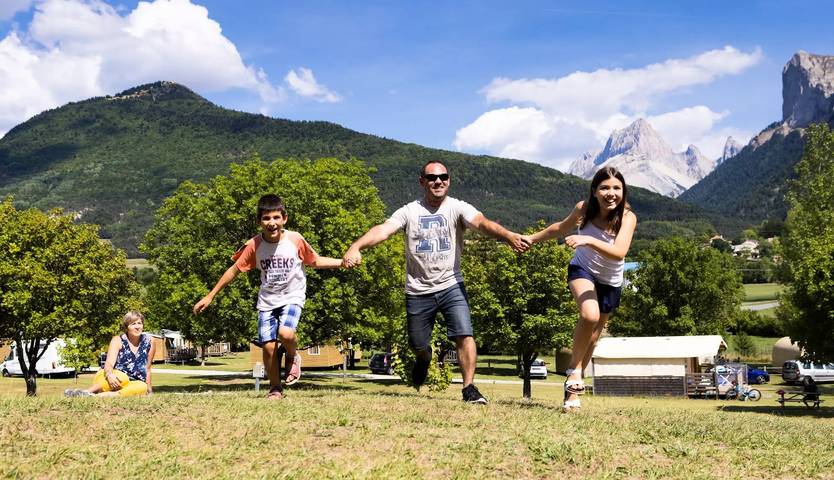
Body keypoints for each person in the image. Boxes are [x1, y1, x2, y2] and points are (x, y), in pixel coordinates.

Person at [343, 160, 529, 404]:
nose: (438, 181)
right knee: (418, 344)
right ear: (422, 182)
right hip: (418, 290)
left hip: (451, 284)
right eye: (431, 178)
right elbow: (383, 230)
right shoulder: (409, 211)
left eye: (443, 176)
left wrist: (507, 236)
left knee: (464, 334)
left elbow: (482, 223)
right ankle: (424, 357)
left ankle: (469, 388)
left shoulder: (458, 207)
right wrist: (356, 246)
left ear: (449, 180)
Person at [192, 194, 344, 400]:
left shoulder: (295, 240)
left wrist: (342, 262)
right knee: (268, 347)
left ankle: (292, 356)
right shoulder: (254, 245)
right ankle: (275, 388)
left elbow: (314, 261)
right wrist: (210, 296)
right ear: (259, 221)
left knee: (286, 333)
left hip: (292, 296)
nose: (271, 223)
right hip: (267, 301)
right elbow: (234, 270)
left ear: (284, 219)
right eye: (266, 218)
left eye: (276, 218)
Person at [524, 167, 636, 411]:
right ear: (595, 191)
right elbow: (561, 229)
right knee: (589, 315)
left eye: (617, 188)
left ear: (623, 191)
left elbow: (619, 253)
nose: (611, 193)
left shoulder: (628, 217)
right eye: (604, 188)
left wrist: (587, 239)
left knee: (594, 336)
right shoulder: (583, 209)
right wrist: (532, 238)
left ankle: (573, 389)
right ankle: (574, 371)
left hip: (610, 281)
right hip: (582, 270)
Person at [64, 311, 156, 397]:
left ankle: (98, 397)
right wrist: (110, 375)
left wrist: (150, 391)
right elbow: (109, 364)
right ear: (126, 327)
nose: (137, 327)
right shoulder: (117, 340)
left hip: (132, 382)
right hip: (111, 378)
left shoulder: (150, 341)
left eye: (139, 323)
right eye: (133, 324)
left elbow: (147, 368)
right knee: (123, 377)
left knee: (142, 386)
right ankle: (87, 392)